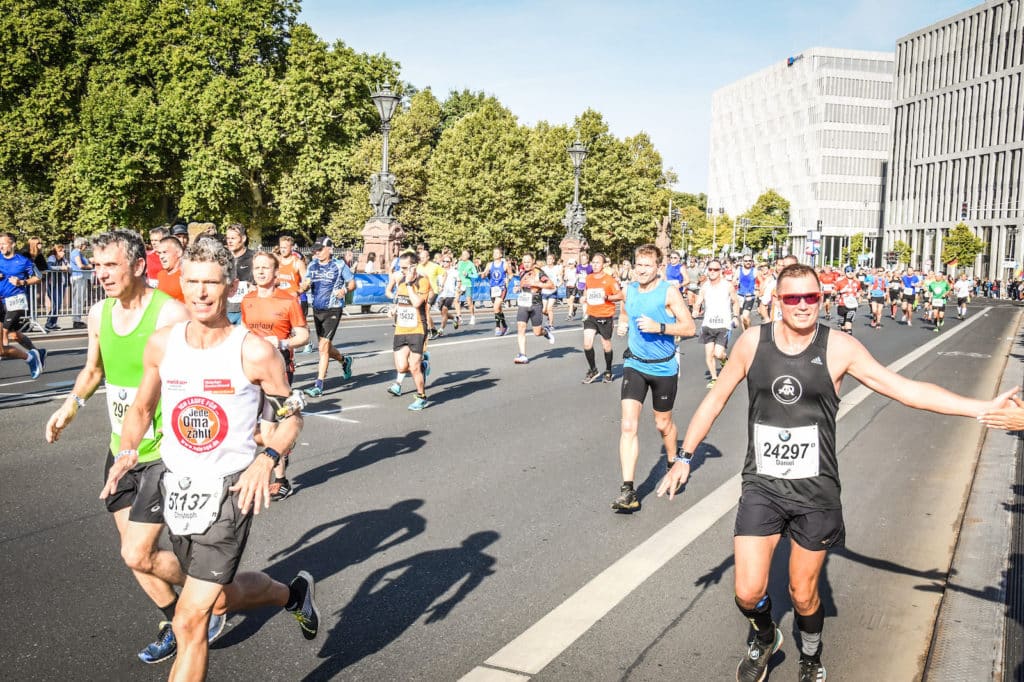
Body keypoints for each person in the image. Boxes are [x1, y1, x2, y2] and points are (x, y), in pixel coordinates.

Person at [657, 262, 1017, 682]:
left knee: (803, 594)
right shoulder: (753, 343)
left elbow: (906, 390)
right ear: (777, 301)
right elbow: (715, 399)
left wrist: (982, 408)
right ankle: (766, 635)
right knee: (748, 592)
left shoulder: (840, 347)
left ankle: (811, 655)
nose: (803, 305)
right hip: (763, 485)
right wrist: (684, 457)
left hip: (816, 492)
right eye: (793, 297)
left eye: (811, 296)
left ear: (821, 299)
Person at [101, 238, 320, 681]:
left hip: (227, 488)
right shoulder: (162, 344)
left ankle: (198, 600)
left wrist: (267, 458)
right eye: (193, 282)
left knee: (189, 620)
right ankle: (291, 595)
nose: (201, 293)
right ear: (181, 284)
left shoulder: (254, 351)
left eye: (212, 283)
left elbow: (292, 417)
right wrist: (127, 451)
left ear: (231, 287)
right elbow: (141, 408)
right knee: (158, 566)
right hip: (169, 475)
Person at [42, 229, 218, 664]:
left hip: (163, 453)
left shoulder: (169, 314)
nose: (101, 274)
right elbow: (93, 370)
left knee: (137, 552)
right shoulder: (98, 314)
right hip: (121, 450)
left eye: (111, 265)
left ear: (139, 266)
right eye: (97, 266)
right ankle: (181, 618)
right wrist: (69, 407)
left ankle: (206, 602)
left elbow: (201, 374)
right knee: (136, 557)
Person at [611, 244, 696, 512]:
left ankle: (672, 461)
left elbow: (690, 328)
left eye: (647, 266)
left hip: (663, 368)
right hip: (635, 364)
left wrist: (659, 327)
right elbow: (625, 311)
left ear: (658, 267)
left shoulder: (668, 291)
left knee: (663, 424)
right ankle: (628, 491)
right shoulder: (630, 289)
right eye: (638, 265)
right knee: (628, 425)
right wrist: (622, 324)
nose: (642, 270)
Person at [241, 251, 310, 500]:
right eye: (257, 268)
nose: (260, 272)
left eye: (265, 268)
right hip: (250, 371)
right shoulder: (247, 300)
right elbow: (244, 331)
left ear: (275, 273)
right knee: (248, 430)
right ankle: (284, 444)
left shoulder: (288, 300)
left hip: (279, 371)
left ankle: (281, 481)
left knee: (269, 431)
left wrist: (281, 343)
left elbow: (304, 335)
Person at [301, 237, 355, 397]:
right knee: (325, 346)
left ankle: (319, 385)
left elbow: (352, 283)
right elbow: (306, 283)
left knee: (323, 347)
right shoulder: (312, 265)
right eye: (315, 249)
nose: (316, 252)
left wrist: (344, 290)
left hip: (333, 308)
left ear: (329, 249)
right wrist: (303, 287)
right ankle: (344, 360)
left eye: (320, 249)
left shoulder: (339, 265)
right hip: (318, 308)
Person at [386, 251, 432, 410]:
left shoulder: (423, 281)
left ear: (414, 267)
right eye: (400, 268)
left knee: (413, 366)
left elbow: (417, 302)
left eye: (405, 268)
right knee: (401, 367)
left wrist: (409, 284)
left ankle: (421, 397)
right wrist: (394, 309)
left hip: (417, 328)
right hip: (401, 328)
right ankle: (423, 365)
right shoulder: (400, 281)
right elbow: (401, 301)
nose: (402, 271)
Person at [0, 233, 45, 377]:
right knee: (14, 334)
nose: (1, 247)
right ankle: (36, 352)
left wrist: (22, 282)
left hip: (16, 300)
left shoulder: (23, 261)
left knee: (5, 331)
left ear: (12, 244)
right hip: (2, 301)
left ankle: (5, 352)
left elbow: (38, 277)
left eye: (4, 243)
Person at [694, 258, 740, 388]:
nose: (713, 271)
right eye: (710, 269)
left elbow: (735, 302)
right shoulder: (705, 286)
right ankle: (714, 378)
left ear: (720, 271)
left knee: (718, 353)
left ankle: (725, 360)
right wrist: (695, 310)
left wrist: (735, 316)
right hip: (708, 324)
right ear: (707, 270)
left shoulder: (727, 285)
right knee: (709, 354)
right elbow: (698, 301)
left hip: (723, 325)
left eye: (716, 269)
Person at [581, 253, 623, 383]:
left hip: (605, 316)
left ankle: (608, 370)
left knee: (606, 346)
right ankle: (593, 369)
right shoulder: (588, 278)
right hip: (591, 315)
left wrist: (607, 297)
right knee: (587, 344)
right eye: (593, 262)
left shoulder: (609, 280)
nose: (595, 265)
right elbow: (586, 292)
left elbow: (620, 295)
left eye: (598, 263)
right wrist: (584, 298)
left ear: (604, 265)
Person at [512, 253, 555, 364]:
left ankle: (545, 332)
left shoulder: (539, 272)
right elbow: (523, 285)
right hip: (523, 303)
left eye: (528, 261)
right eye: (524, 261)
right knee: (521, 327)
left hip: (536, 304)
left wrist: (536, 283)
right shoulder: (522, 272)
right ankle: (523, 355)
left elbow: (551, 285)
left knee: (537, 332)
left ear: (533, 261)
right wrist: (518, 288)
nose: (526, 264)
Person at [224, 223, 254, 325]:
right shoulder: (223, 258)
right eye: (228, 238)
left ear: (243, 238)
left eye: (233, 238)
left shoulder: (254, 257)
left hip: (247, 310)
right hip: (226, 310)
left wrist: (250, 286)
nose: (229, 241)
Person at [69, 236, 94, 329]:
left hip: (80, 277)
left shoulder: (78, 253)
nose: (86, 246)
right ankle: (76, 320)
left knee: (79, 299)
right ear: (81, 245)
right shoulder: (76, 253)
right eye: (85, 244)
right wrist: (89, 266)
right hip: (78, 277)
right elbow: (80, 265)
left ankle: (77, 319)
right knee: (78, 299)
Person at [486, 247, 512, 336]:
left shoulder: (505, 264)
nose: (495, 254)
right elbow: (485, 273)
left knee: (496, 307)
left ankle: (497, 328)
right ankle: (505, 326)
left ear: (501, 255)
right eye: (494, 253)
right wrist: (484, 274)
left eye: (497, 253)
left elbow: (511, 275)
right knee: (498, 309)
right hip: (493, 289)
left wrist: (508, 279)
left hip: (502, 288)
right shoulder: (489, 264)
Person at [45, 243, 70, 330]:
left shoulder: (64, 259)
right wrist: (60, 268)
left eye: (63, 251)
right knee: (56, 304)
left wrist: (68, 268)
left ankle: (53, 323)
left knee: (58, 305)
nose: (63, 253)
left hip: (61, 284)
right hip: (53, 284)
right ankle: (49, 323)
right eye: (61, 251)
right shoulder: (52, 258)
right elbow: (49, 267)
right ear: (57, 252)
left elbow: (69, 268)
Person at [155, 236, 186, 303]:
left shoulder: (186, 275)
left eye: (165, 252)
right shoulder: (160, 275)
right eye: (159, 253)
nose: (161, 257)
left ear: (179, 253)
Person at [437, 253, 460, 335]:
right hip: (441, 294)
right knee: (443, 313)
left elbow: (459, 281)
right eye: (444, 261)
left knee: (444, 310)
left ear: (451, 262)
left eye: (447, 261)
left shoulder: (454, 272)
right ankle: (455, 318)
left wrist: (458, 290)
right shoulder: (439, 271)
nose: (445, 263)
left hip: (450, 294)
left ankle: (441, 329)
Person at [455, 249, 478, 326]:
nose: (463, 256)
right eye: (462, 254)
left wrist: (468, 274)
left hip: (467, 284)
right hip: (460, 284)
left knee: (469, 302)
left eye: (465, 254)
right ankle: (459, 317)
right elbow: (458, 273)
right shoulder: (460, 263)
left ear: (468, 256)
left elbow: (476, 275)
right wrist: (458, 282)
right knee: (456, 300)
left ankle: (472, 317)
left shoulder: (471, 264)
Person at [736, 256, 759, 330]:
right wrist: (736, 284)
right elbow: (733, 281)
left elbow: (761, 281)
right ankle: (745, 333)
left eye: (749, 261)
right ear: (743, 262)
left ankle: (749, 331)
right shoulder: (738, 270)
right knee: (742, 318)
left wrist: (758, 290)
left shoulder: (754, 271)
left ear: (752, 262)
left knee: (745, 316)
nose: (748, 262)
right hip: (740, 296)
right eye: (746, 261)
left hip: (750, 296)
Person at [541, 253, 562, 329]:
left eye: (550, 259)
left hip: (553, 291)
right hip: (544, 291)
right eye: (547, 259)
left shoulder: (556, 268)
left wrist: (557, 286)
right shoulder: (543, 269)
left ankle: (551, 325)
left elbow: (561, 280)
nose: (548, 260)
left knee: (549, 308)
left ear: (553, 260)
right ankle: (549, 317)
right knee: (544, 310)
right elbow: (540, 279)